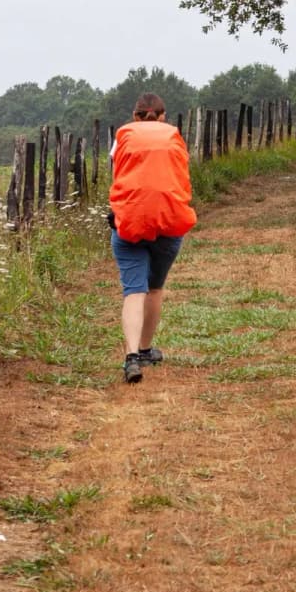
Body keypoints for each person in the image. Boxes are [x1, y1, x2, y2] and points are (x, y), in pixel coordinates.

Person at [108, 92, 197, 383]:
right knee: (155, 289)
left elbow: (118, 178)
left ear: (135, 116)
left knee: (134, 290)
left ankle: (131, 356)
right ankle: (146, 350)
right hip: (169, 224)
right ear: (163, 116)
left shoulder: (123, 137)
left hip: (130, 224)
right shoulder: (173, 136)